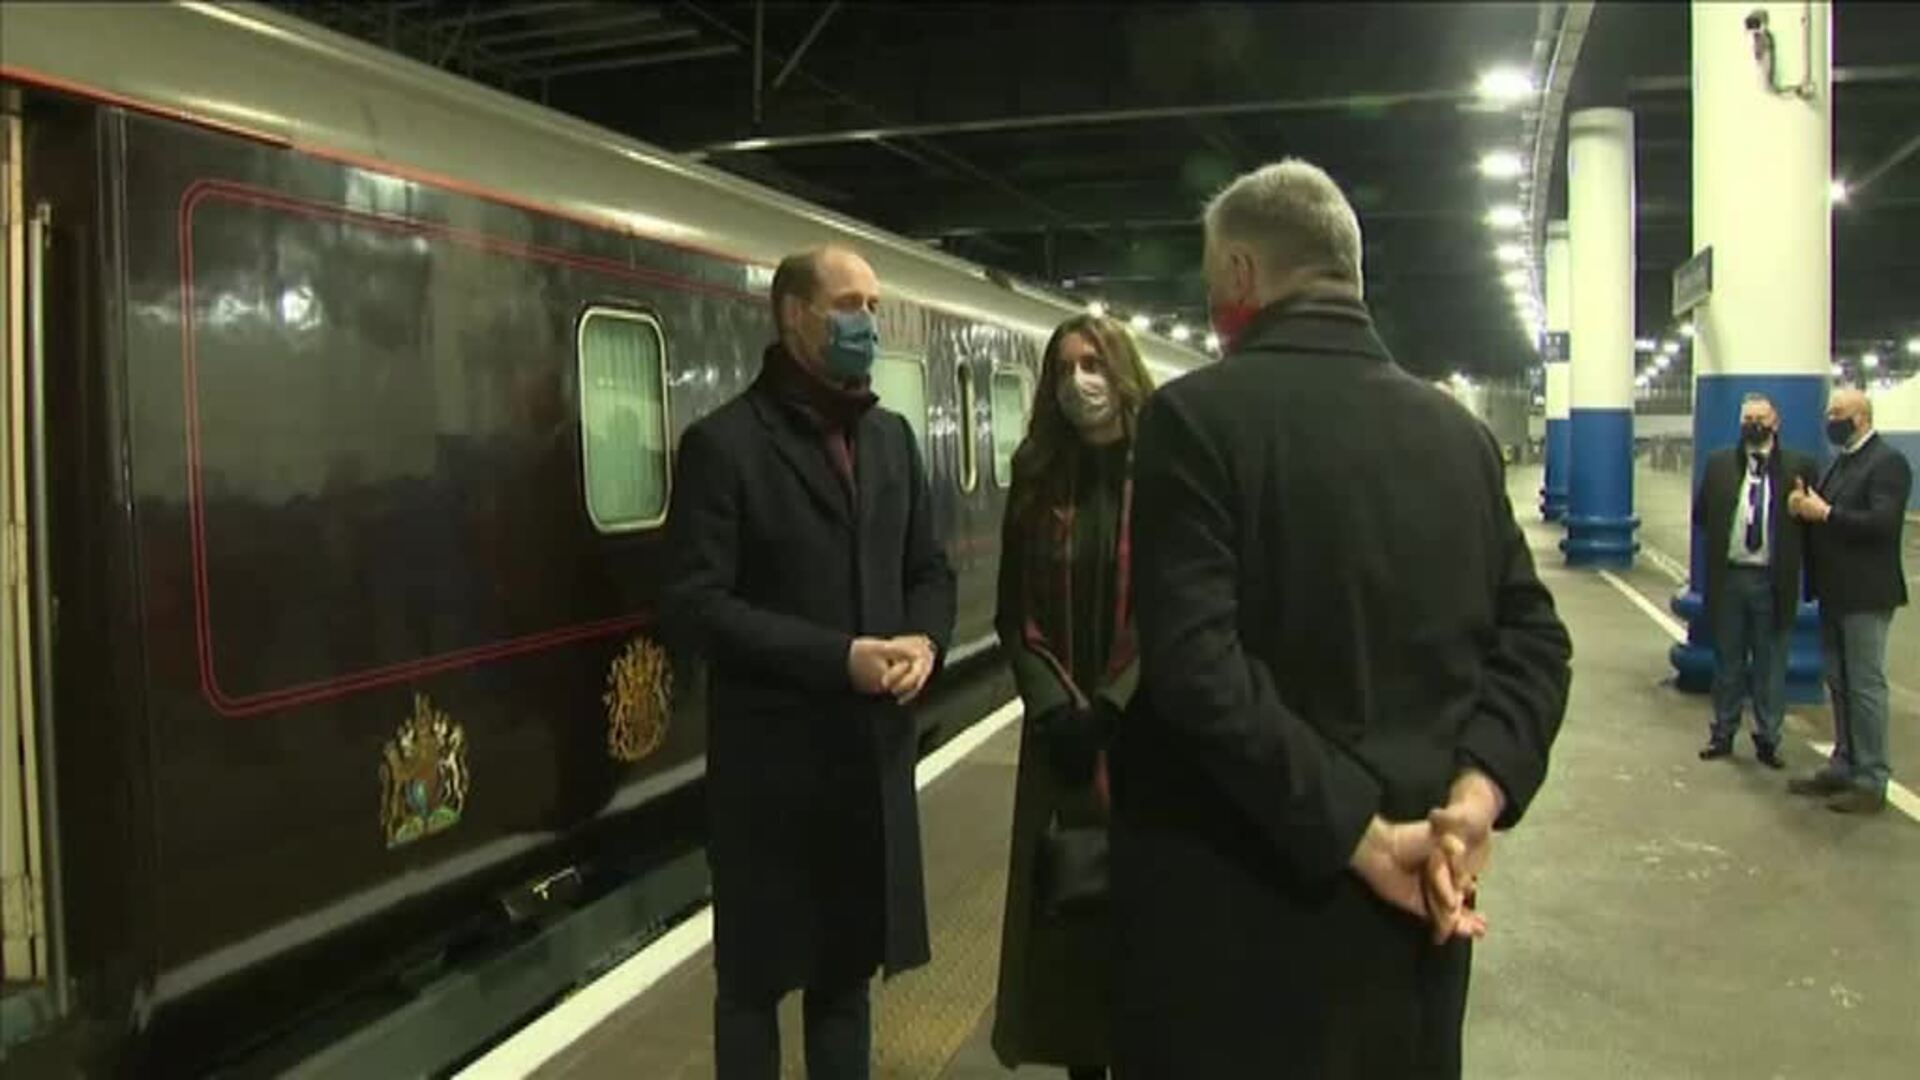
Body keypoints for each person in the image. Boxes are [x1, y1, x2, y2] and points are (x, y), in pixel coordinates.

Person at [1107, 159, 1573, 1079]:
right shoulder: (1461, 439)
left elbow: (1198, 668)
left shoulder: (1193, 419)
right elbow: (1536, 640)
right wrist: (1473, 804)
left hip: (1234, 927)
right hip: (1418, 920)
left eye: (1211, 285)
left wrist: (1359, 838)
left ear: (1242, 275)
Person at [662, 245, 957, 1079]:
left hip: (868, 762)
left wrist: (926, 644)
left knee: (845, 980)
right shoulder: (725, 446)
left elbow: (929, 570)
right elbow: (694, 606)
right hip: (770, 773)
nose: (869, 320)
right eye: (849, 304)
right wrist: (842, 659)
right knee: (753, 987)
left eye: (873, 302)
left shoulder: (892, 441)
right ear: (794, 314)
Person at [989, 315, 1153, 1080]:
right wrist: (1056, 708)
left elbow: (1175, 603)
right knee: (1069, 916)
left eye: (1092, 364)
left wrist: (1115, 703)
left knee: (1150, 919)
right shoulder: (1036, 472)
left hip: (1150, 734)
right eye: (1063, 369)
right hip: (1061, 736)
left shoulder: (1164, 472)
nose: (1078, 382)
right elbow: (1013, 610)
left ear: (1122, 373)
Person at [1786, 388, 1912, 815]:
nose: (1830, 419)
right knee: (1839, 682)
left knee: (1865, 687)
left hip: (1866, 594)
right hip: (1835, 591)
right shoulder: (1843, 462)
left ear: (1860, 417)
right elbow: (1824, 512)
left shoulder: (1887, 463)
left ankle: (1871, 778)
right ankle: (1844, 763)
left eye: (1836, 413)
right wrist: (1802, 507)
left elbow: (1881, 523)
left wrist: (1824, 513)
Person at [1691, 392, 1818, 767]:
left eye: (1760, 418)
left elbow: (1809, 525)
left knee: (1770, 665)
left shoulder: (1799, 466)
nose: (1753, 425)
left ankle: (1768, 739)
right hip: (1730, 579)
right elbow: (1701, 516)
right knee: (1728, 662)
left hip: (1772, 582)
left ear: (1775, 422)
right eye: (1747, 418)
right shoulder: (1718, 466)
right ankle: (1722, 734)